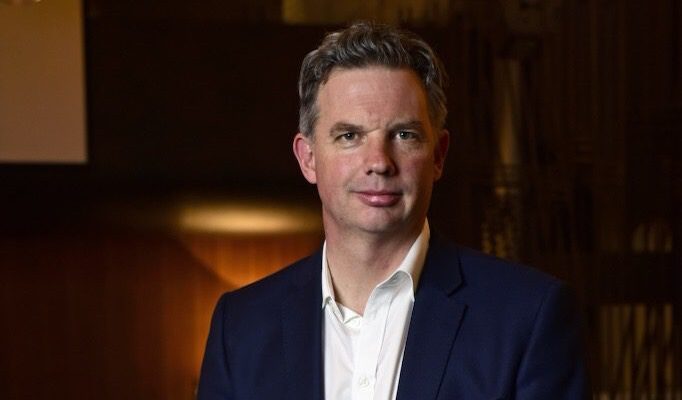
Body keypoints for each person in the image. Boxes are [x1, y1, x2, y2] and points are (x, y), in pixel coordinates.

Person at [197, 21, 588, 400]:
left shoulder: (527, 317)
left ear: (438, 156)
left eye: (404, 135)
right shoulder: (241, 327)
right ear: (308, 158)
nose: (379, 162)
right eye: (349, 136)